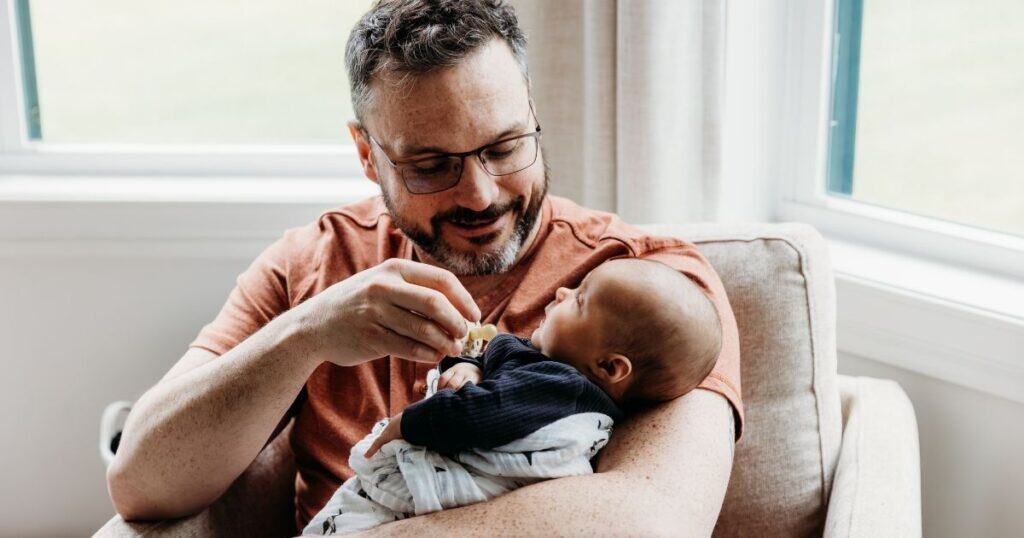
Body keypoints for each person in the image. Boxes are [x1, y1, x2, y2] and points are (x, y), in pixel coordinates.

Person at [106, 1, 744, 535]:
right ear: (367, 154)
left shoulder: (649, 286)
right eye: (431, 165)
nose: (480, 194)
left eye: (504, 146)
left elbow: (654, 521)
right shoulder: (315, 264)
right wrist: (306, 335)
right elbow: (142, 484)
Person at [305, 258, 723, 535]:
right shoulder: (546, 375)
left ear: (609, 367)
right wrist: (468, 365)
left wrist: (407, 424)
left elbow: (479, 415)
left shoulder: (560, 390)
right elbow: (494, 364)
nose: (561, 293)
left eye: (579, 300)